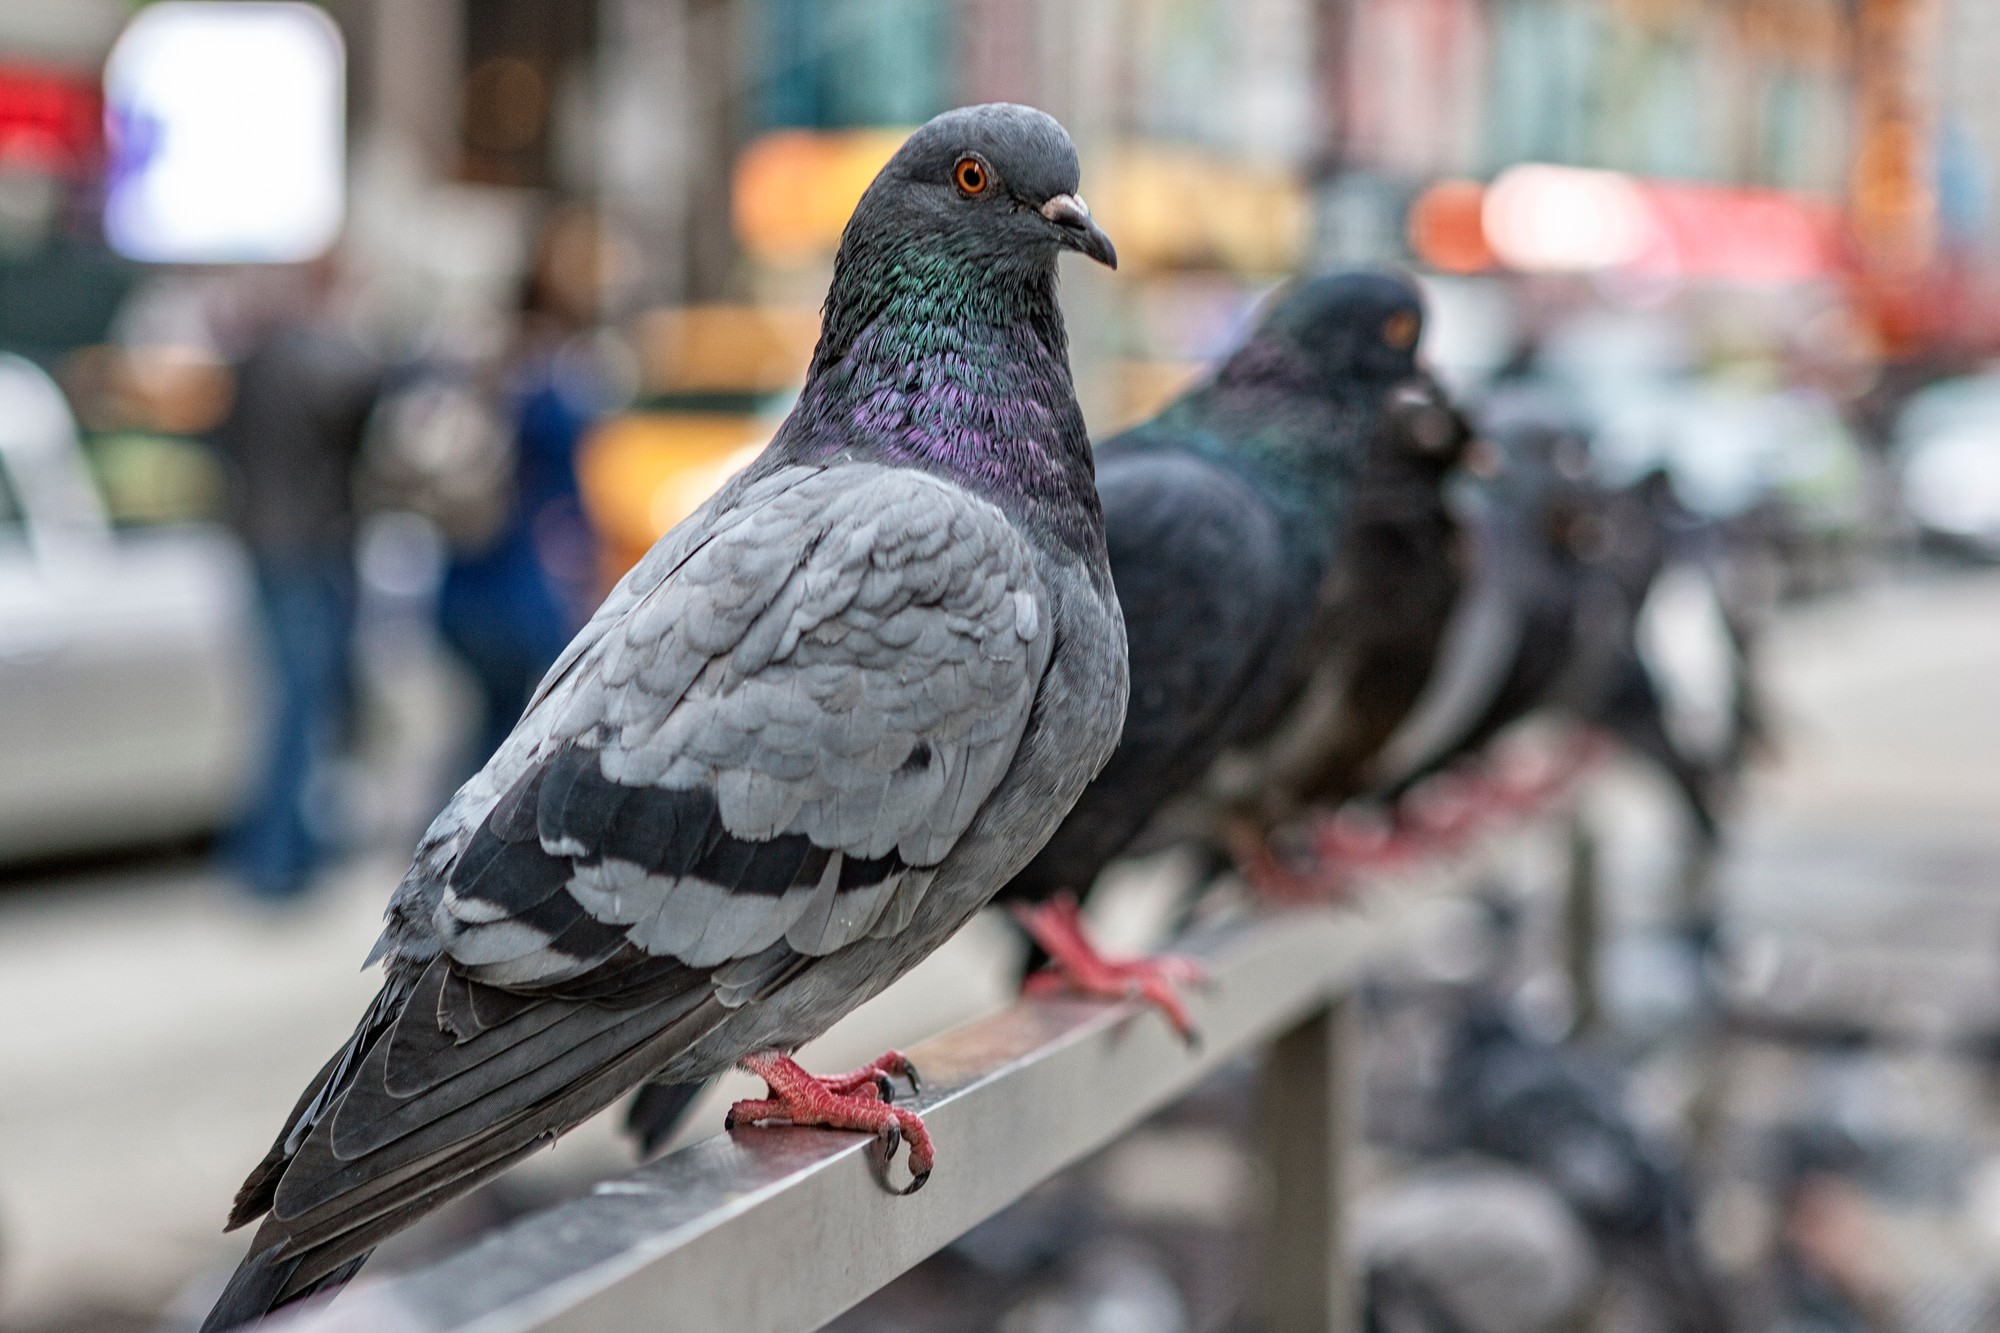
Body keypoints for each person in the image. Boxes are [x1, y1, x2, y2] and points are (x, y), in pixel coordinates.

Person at [209, 265, 381, 899]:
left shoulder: (252, 361)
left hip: (265, 543)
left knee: (288, 702)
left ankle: (287, 849)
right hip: (304, 547)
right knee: (300, 706)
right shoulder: (316, 359)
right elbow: (362, 394)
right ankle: (277, 862)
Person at [436, 207, 609, 772]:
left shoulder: (494, 360)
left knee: (491, 724)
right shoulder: (558, 371)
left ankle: (444, 838)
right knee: (511, 734)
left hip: (469, 573)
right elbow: (566, 483)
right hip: (520, 580)